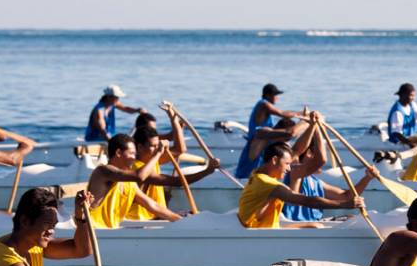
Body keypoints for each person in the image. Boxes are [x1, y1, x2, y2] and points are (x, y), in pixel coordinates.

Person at [87, 134, 220, 228]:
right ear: (118, 153)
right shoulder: (103, 171)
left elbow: (153, 206)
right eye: (132, 153)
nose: (134, 158)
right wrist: (158, 153)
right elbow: (140, 176)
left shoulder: (129, 182)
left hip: (108, 231)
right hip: (93, 231)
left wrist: (182, 222)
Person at [237, 142, 364, 228]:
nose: (288, 169)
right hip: (259, 230)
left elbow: (296, 151)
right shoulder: (268, 183)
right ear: (274, 160)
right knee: (315, 227)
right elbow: (306, 201)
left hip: (266, 226)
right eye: (287, 164)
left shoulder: (257, 173)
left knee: (348, 218)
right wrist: (344, 205)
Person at [283, 118, 381, 222]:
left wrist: (367, 178)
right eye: (320, 152)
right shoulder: (294, 173)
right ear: (309, 153)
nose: (325, 159)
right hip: (297, 226)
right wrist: (315, 127)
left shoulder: (315, 182)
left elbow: (347, 196)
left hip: (315, 223)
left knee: (351, 219)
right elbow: (317, 159)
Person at [126, 104, 190, 220]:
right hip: (141, 220)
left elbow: (179, 150)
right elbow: (176, 182)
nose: (153, 132)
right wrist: (207, 171)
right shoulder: (134, 164)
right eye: (150, 128)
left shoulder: (152, 156)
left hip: (156, 215)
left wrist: (174, 122)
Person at [235, 84, 307, 178]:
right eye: (275, 95)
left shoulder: (268, 129)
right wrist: (305, 118)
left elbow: (291, 137)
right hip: (246, 175)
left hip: (262, 140)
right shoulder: (263, 104)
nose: (277, 98)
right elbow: (286, 123)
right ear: (268, 95)